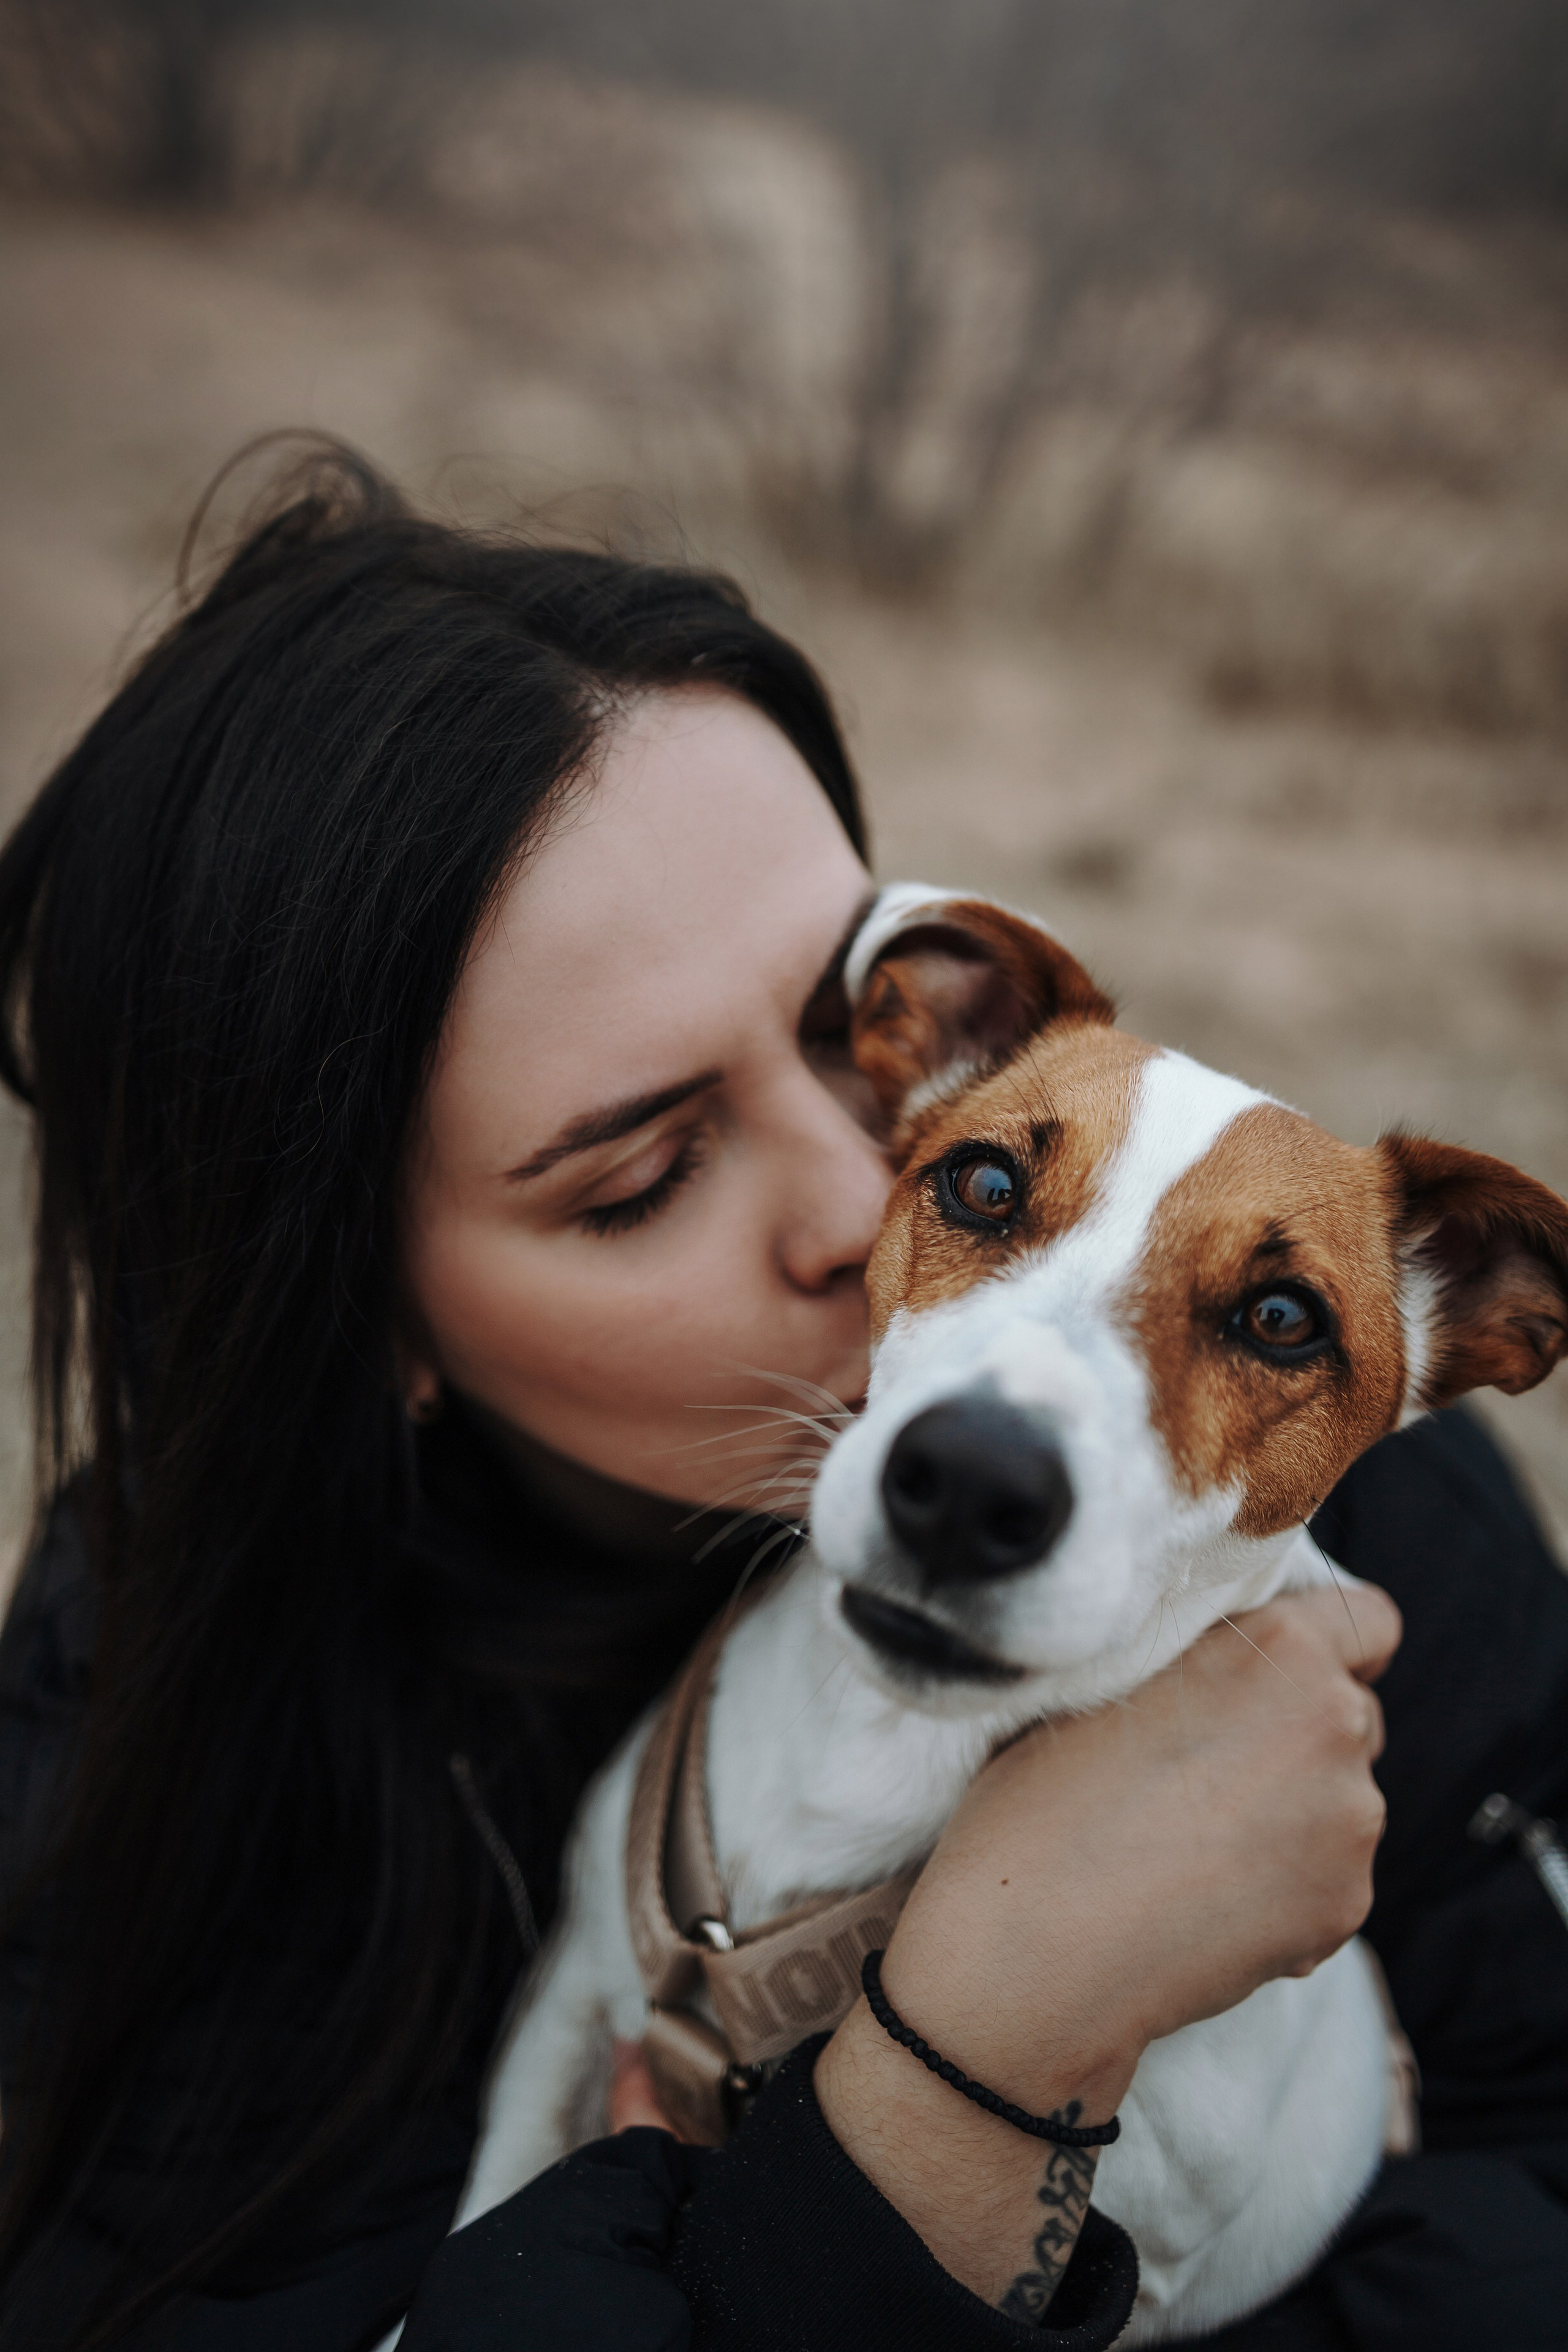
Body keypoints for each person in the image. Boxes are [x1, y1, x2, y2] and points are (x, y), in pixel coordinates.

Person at [0, 448, 1562, 2352]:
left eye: (856, 1046)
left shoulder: (1398, 1525)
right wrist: (959, 2086)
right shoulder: (136, 1812)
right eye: (643, 1174)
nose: (871, 1197)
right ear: (351, 1316)